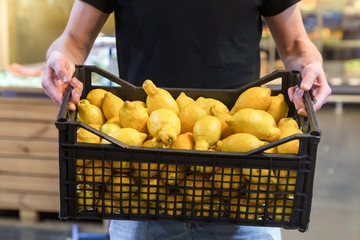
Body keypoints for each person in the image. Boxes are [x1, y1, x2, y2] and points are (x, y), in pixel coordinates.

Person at [42, 1, 331, 239]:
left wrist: (309, 68)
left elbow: (295, 44)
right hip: (142, 185)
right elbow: (74, 40)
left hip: (241, 184)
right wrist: (58, 57)